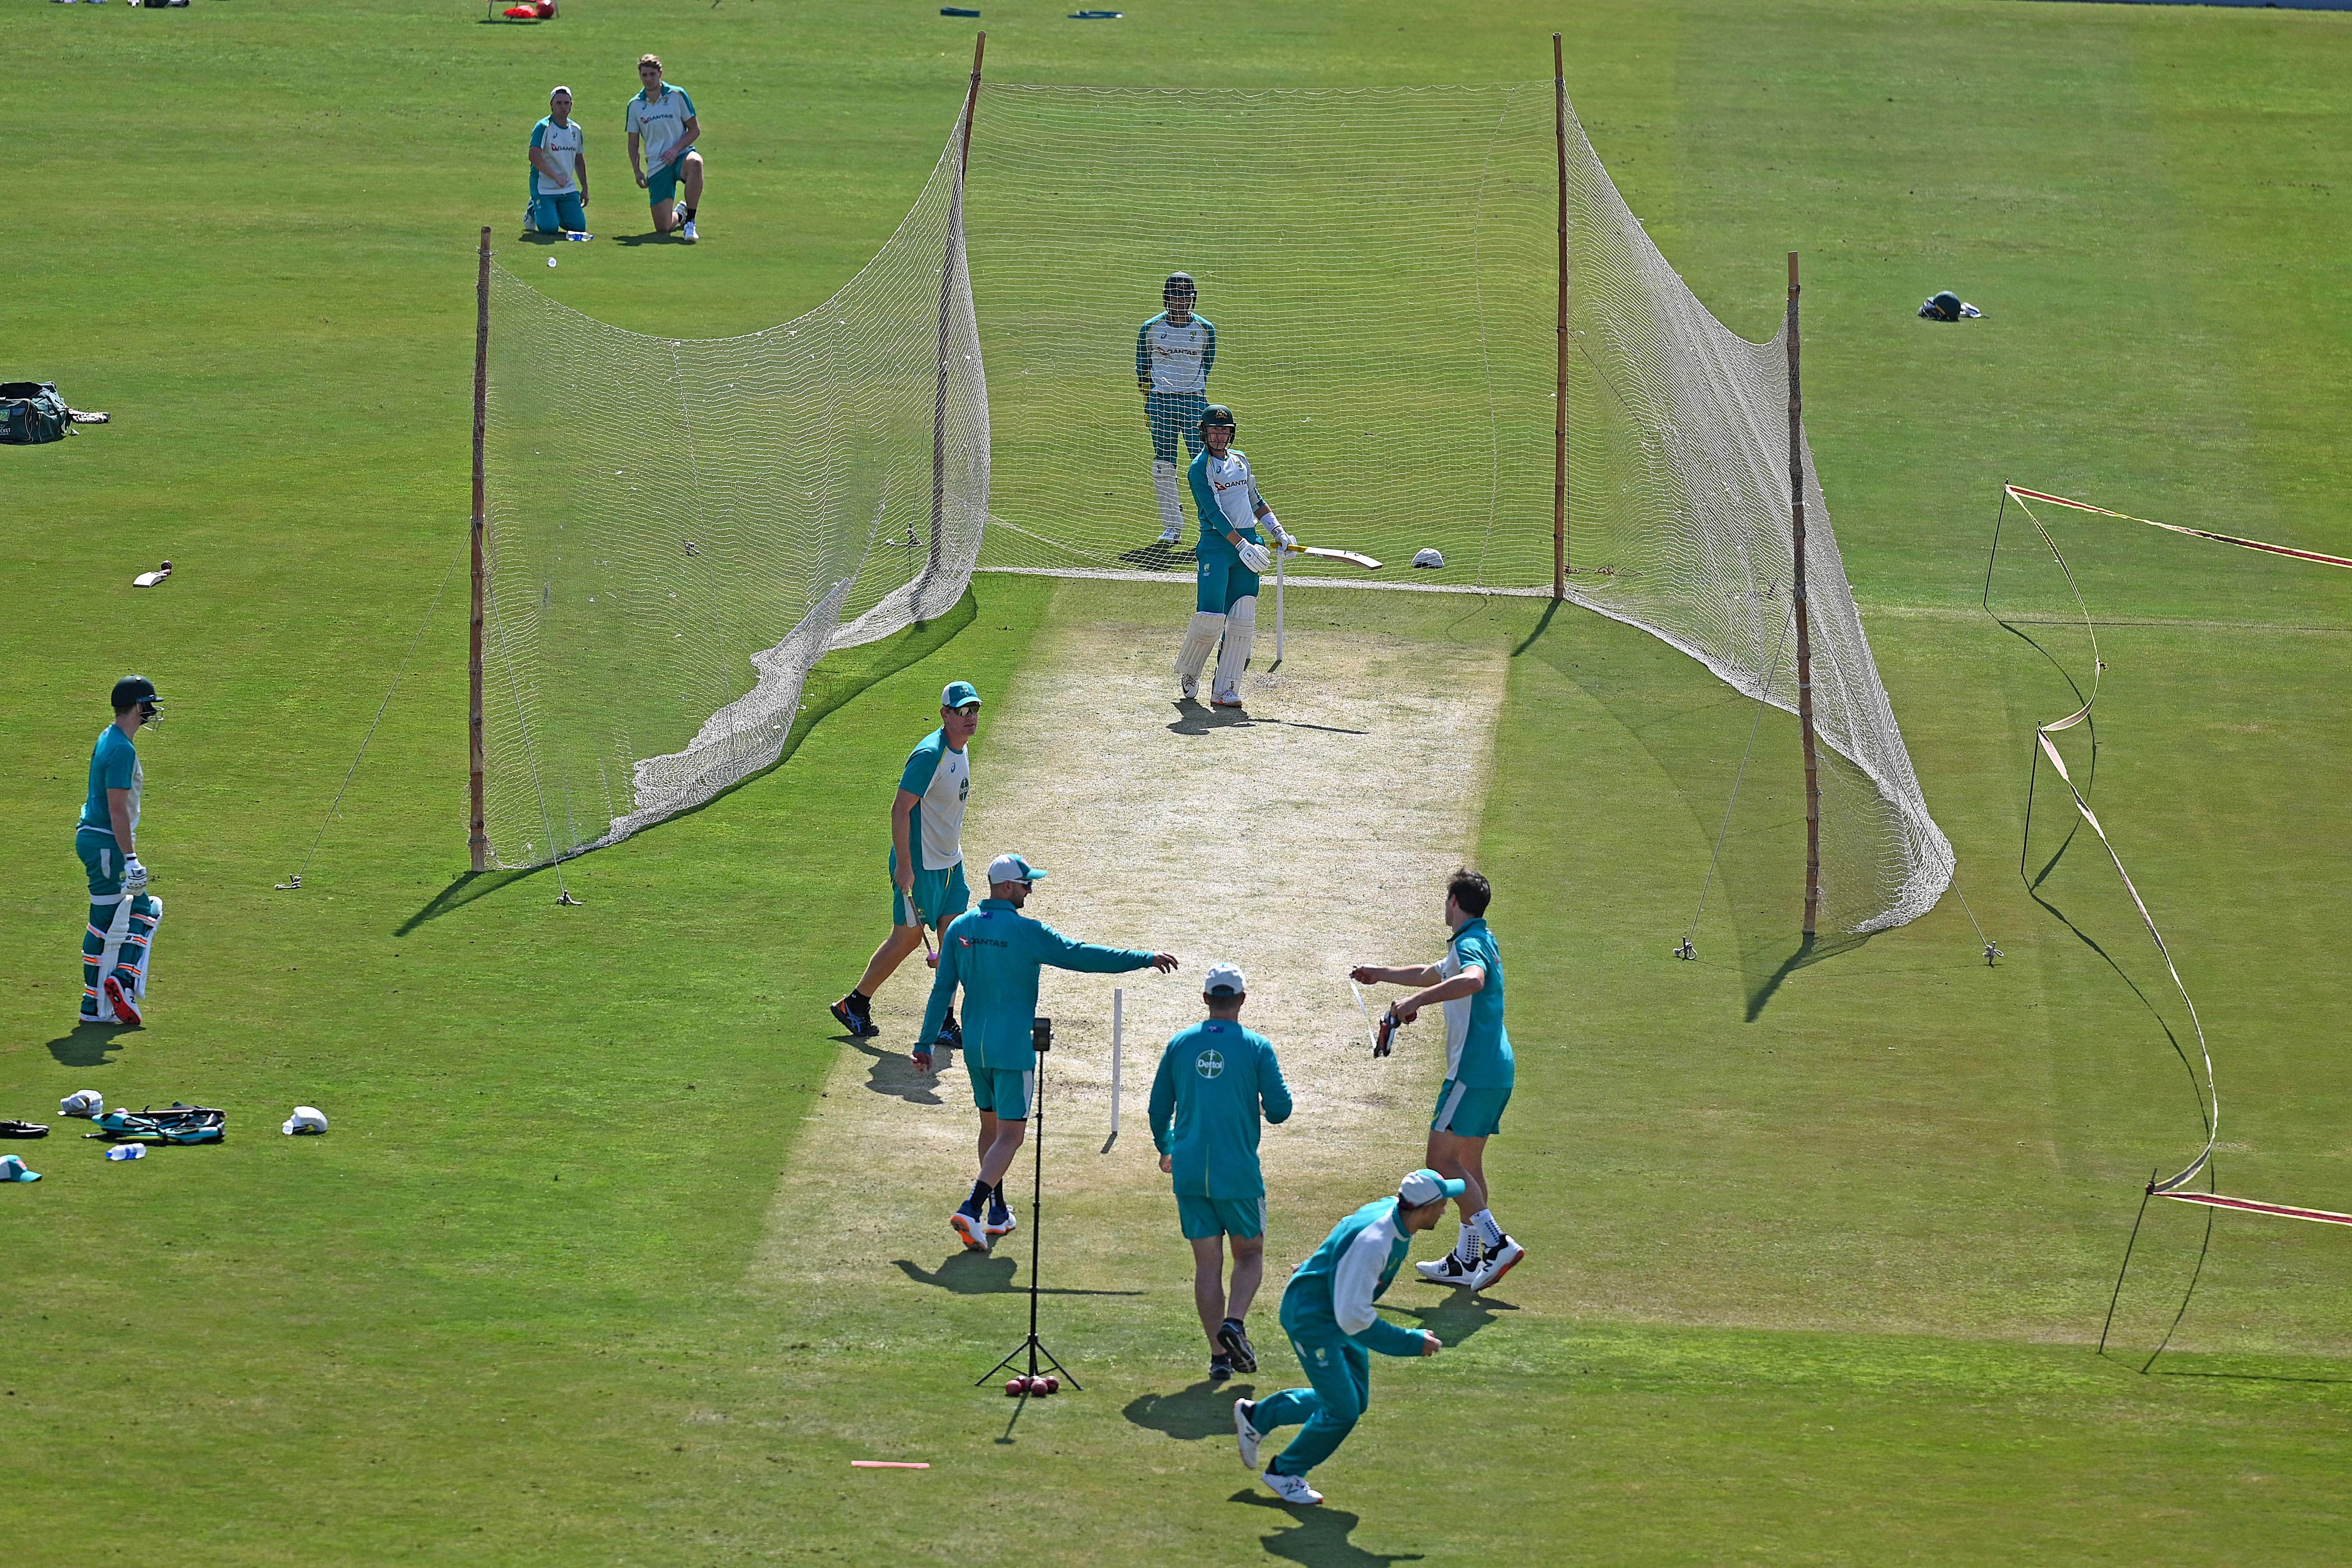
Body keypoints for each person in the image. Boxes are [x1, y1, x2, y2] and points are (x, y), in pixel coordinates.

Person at [919, 853, 1178, 1251]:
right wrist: (1144, 959)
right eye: (1026, 884)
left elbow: (943, 990)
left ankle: (997, 1212)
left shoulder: (959, 929)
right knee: (1012, 1135)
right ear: (1007, 887)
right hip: (1014, 1049)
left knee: (990, 1130)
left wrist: (923, 1044)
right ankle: (972, 1208)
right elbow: (1083, 955)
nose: (1030, 890)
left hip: (976, 1048)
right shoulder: (1027, 932)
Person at [1232, 1169, 1454, 1506]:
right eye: (1442, 1204)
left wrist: (1317, 1263)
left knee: (1354, 1400)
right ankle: (1285, 1471)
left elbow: (1345, 1227)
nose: (1445, 1210)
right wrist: (1411, 1341)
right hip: (1314, 1319)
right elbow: (1354, 1317)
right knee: (1343, 1410)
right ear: (1425, 1209)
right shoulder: (1377, 1243)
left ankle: (1258, 1417)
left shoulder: (1391, 1212)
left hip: (1337, 1312)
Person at [1350, 867, 1524, 1290]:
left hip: (1472, 1071)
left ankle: (1496, 1244)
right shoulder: (1481, 939)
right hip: (1497, 1070)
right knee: (1467, 1163)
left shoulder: (1470, 946)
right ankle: (1466, 1261)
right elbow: (1435, 972)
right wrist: (1382, 973)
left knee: (1440, 1160)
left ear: (1453, 903)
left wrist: (1413, 1003)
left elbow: (1472, 980)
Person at [1149, 961, 1293, 1384]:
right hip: (1239, 1173)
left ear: (1207, 999)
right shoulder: (1257, 1047)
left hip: (1191, 1171)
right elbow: (1281, 1109)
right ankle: (1235, 1322)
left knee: (1206, 1266)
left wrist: (1167, 1147)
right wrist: (1261, 1104)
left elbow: (1159, 1110)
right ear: (1242, 1000)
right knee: (1249, 1254)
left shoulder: (1180, 1044)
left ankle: (1218, 1357)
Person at [832, 681, 982, 1049]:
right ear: (945, 714)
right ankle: (855, 1004)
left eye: (974, 709)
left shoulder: (961, 749)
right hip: (921, 867)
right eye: (961, 711)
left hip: (951, 865)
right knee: (908, 939)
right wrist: (904, 865)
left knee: (953, 941)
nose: (970, 718)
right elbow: (901, 809)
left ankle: (945, 1023)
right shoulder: (929, 755)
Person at [1177, 405, 1296, 708]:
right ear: (1204, 433)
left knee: (1242, 618)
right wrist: (1242, 546)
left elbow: (1256, 500)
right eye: (1214, 431)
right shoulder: (1199, 468)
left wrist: (1279, 533)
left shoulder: (1241, 460)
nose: (1219, 437)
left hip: (1249, 542)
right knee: (1210, 618)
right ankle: (1191, 672)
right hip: (1218, 546)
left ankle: (1226, 687)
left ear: (1231, 433)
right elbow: (1214, 513)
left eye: (1224, 431)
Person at [76, 677, 164, 1027]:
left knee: (130, 912)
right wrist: (130, 858)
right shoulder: (121, 749)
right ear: (138, 706)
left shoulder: (110, 736)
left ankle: (105, 993)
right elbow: (117, 809)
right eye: (150, 704)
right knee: (122, 916)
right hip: (105, 844)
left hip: (99, 840)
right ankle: (112, 990)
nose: (153, 711)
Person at [1136, 272, 1216, 546]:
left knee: (1204, 464)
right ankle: (1172, 527)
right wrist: (1149, 405)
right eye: (1175, 294)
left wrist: (1192, 391)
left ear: (1193, 299)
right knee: (1164, 464)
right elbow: (1142, 370)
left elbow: (1207, 364)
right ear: (1166, 297)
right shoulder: (1151, 328)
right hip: (1161, 402)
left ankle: (1212, 524)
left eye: (1186, 295)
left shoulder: (1206, 329)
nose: (1180, 300)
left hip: (1195, 402)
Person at [626, 54, 701, 240]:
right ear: (640, 76)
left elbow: (695, 130)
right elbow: (633, 143)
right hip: (657, 165)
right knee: (663, 227)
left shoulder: (677, 95)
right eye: (645, 75)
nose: (649, 79)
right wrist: (637, 171)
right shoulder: (635, 105)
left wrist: (676, 150)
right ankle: (681, 214)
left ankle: (690, 222)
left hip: (681, 155)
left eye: (652, 74)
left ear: (660, 74)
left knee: (696, 164)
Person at [526, 86, 590, 238]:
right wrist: (556, 177)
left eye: (567, 103)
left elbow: (579, 160)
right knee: (549, 228)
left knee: (579, 227)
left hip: (567, 186)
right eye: (559, 103)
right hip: (544, 186)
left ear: (571, 105)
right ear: (552, 105)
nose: (564, 107)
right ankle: (533, 209)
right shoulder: (544, 127)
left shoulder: (576, 130)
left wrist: (585, 187)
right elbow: (534, 156)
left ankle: (554, 210)